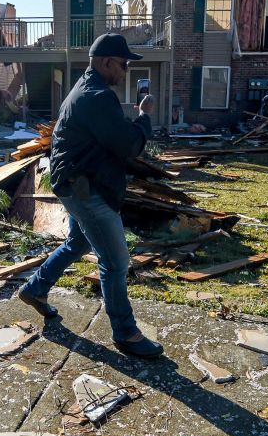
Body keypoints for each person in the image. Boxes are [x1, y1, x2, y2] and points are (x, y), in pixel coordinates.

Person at [17, 33, 163, 358]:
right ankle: (126, 334)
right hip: (87, 190)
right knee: (115, 261)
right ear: (105, 62)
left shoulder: (86, 89)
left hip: (74, 183)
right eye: (123, 64)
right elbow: (129, 145)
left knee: (78, 243)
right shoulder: (97, 96)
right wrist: (145, 117)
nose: (125, 71)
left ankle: (36, 288)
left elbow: (109, 135)